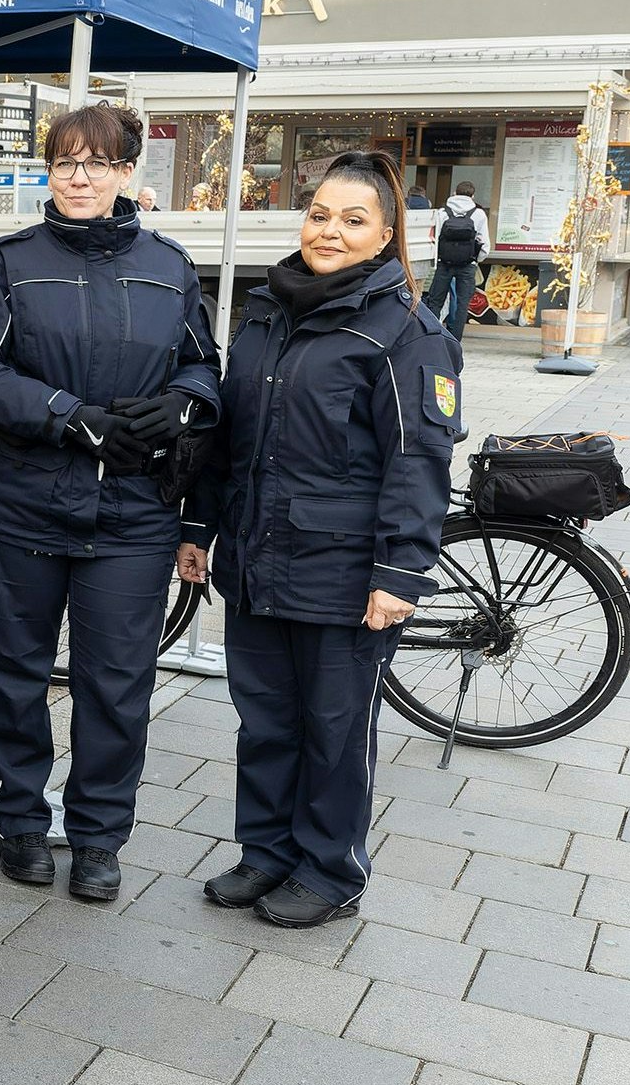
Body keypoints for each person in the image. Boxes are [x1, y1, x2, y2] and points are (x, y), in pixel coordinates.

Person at [0, 104, 221, 902]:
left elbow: (206, 368)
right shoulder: (9, 261)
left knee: (116, 682)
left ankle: (99, 833)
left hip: (131, 513)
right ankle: (21, 820)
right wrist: (67, 415)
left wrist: (180, 406)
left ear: (127, 173)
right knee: (15, 674)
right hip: (17, 508)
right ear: (48, 171)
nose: (80, 177)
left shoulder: (169, 266)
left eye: (98, 163)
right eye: (65, 162)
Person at [180, 150, 461, 928]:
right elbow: (231, 437)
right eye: (319, 214)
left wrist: (400, 572)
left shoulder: (407, 330)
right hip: (257, 557)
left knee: (334, 729)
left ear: (386, 235)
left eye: (353, 219)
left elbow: (417, 460)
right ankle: (266, 851)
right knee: (265, 718)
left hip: (344, 573)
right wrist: (201, 526)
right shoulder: (268, 309)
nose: (329, 231)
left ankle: (331, 869)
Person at [423, 181, 489, 339]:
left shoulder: (442, 212)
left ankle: (430, 337)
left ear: (454, 193)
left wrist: (438, 257)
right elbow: (484, 243)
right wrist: (475, 259)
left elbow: (434, 238)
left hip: (444, 264)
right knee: (461, 304)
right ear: (472, 196)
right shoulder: (478, 214)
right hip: (467, 266)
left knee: (435, 302)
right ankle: (455, 341)